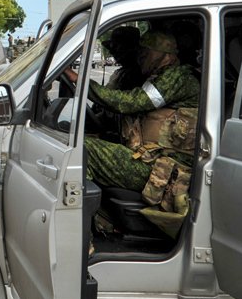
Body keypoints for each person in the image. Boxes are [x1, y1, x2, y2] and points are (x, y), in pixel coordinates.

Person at [84, 30, 200, 193]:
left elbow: (133, 102)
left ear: (163, 55)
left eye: (145, 53)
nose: (139, 57)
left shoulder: (178, 78)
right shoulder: (159, 76)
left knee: (82, 150)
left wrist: (81, 82)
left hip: (163, 169)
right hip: (153, 160)